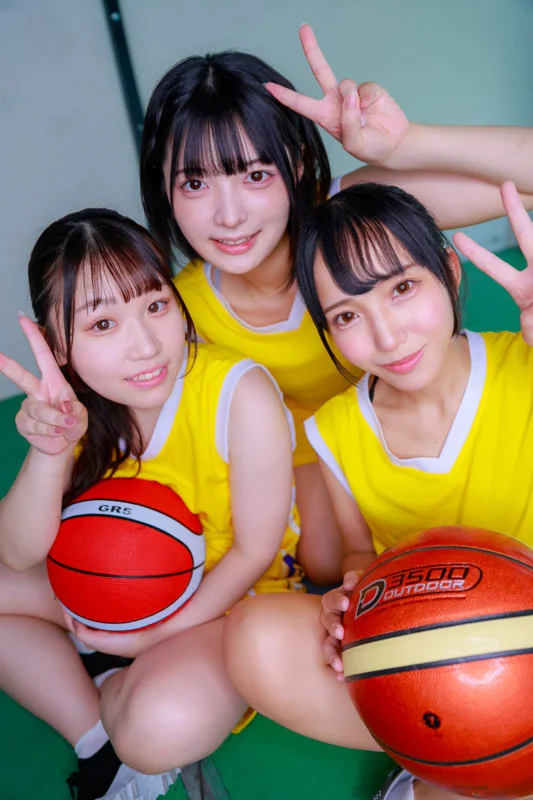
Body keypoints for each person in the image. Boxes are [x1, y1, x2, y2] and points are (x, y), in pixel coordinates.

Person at [140, 23, 533, 584]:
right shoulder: (179, 307)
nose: (229, 216)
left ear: (298, 164)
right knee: (324, 559)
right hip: (317, 452)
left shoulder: (358, 220)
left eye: (256, 174)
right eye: (195, 184)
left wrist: (407, 144)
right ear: (163, 186)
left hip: (417, 418)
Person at [223, 181, 533, 800]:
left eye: (401, 289)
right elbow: (362, 553)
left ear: (448, 270)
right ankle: (445, 749)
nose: (387, 336)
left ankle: (470, 767)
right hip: (422, 648)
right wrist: (352, 600)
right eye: (347, 315)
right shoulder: (335, 431)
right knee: (253, 636)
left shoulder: (523, 364)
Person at [0, 208, 300, 800]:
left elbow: (253, 552)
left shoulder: (239, 392)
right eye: (103, 324)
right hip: (101, 584)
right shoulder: (74, 407)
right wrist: (49, 452)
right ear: (58, 346)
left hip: (222, 603)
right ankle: (95, 738)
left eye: (156, 305)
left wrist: (147, 640)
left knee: (158, 727)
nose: (144, 346)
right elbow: (16, 553)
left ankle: (111, 679)